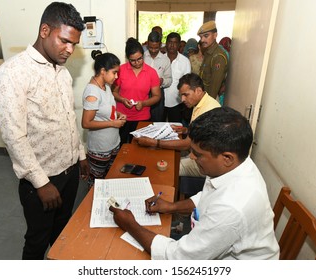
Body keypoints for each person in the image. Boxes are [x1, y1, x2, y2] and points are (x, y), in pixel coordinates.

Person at [110, 107, 280, 260]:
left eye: (198, 155)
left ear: (227, 158)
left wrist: (129, 224)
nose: (192, 157)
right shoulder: (237, 164)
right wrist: (172, 206)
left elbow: (178, 259)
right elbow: (208, 195)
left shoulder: (232, 207)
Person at [0, 2, 90, 259]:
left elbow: (69, 117)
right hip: (43, 180)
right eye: (65, 41)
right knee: (37, 240)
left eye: (74, 44)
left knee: (62, 231)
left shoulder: (62, 72)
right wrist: (41, 183)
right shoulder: (13, 74)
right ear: (45, 31)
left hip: (68, 173)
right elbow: (14, 136)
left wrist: (80, 154)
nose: (70, 50)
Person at [136, 73, 220, 177]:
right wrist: (186, 130)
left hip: (207, 164)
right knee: (163, 157)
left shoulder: (208, 110)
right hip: (198, 153)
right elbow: (203, 133)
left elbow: (186, 144)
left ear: (198, 91)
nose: (183, 99)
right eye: (181, 95)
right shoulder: (202, 102)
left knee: (164, 167)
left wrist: (154, 142)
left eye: (186, 94)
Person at [82, 52, 126, 188]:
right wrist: (113, 123)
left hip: (113, 143)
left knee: (110, 178)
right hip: (100, 148)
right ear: (103, 71)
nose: (116, 76)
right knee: (97, 183)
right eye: (114, 72)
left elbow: (105, 110)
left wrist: (117, 114)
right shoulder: (92, 92)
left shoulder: (105, 86)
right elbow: (86, 123)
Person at [112, 37, 161, 144]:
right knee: (122, 147)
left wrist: (143, 103)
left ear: (143, 55)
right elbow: (114, 92)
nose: (137, 63)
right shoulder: (121, 70)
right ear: (127, 58)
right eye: (132, 60)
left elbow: (157, 96)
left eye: (139, 59)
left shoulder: (151, 72)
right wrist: (122, 99)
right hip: (122, 117)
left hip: (142, 117)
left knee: (140, 149)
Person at [144, 31, 172, 122]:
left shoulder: (165, 60)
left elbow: (169, 79)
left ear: (160, 45)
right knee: (143, 119)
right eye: (151, 47)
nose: (153, 50)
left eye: (156, 48)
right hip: (143, 93)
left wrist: (162, 81)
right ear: (147, 44)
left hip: (158, 93)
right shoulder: (142, 57)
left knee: (157, 120)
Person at [163, 32, 191, 123]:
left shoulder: (185, 61)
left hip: (177, 102)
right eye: (170, 42)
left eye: (175, 43)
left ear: (179, 45)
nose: (172, 45)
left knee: (175, 129)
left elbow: (187, 84)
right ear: (166, 43)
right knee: (159, 127)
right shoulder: (160, 59)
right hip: (160, 102)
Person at [198, 21, 228, 99]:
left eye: (206, 36)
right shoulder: (209, 52)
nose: (202, 40)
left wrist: (207, 104)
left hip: (210, 100)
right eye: (201, 37)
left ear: (215, 35)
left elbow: (214, 88)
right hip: (204, 97)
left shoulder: (218, 56)